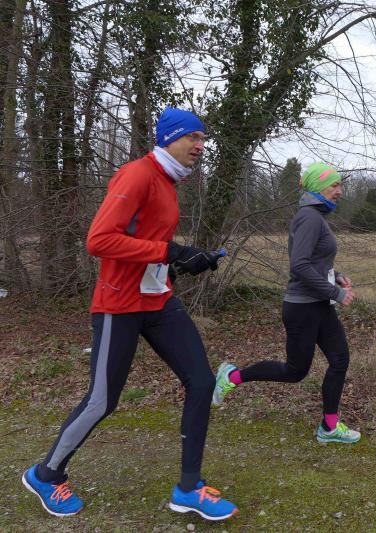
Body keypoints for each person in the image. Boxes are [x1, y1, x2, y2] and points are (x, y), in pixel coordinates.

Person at [21, 108, 238, 520]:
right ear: (170, 138)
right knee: (102, 401)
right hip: (119, 305)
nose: (200, 145)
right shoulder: (138, 174)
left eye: (203, 138)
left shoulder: (169, 182)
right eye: (193, 137)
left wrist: (184, 261)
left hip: (157, 300)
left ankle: (189, 488)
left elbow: (150, 245)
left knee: (202, 381)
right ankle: (46, 474)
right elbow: (99, 240)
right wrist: (170, 251)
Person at [212, 162, 361, 444]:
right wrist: (336, 293)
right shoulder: (309, 218)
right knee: (295, 371)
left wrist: (337, 275)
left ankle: (329, 427)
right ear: (318, 187)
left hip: (320, 305)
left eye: (340, 185)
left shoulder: (316, 217)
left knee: (340, 359)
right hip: (303, 308)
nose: (340, 191)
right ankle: (231, 377)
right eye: (334, 185)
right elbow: (300, 266)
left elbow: (315, 261)